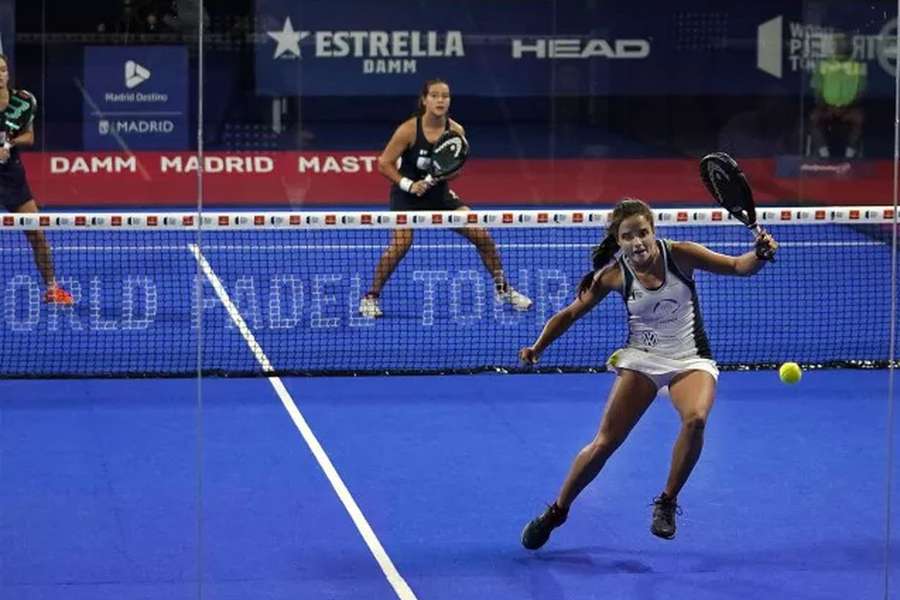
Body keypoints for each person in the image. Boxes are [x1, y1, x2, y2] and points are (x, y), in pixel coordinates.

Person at [519, 198, 777, 547]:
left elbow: (737, 266)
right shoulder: (612, 275)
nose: (638, 242)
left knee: (696, 419)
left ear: (654, 231)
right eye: (628, 236)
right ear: (619, 240)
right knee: (605, 443)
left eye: (643, 233)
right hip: (642, 359)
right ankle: (557, 511)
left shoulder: (682, 254)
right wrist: (538, 347)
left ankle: (667, 502)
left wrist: (759, 255)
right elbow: (568, 314)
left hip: (690, 358)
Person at [359, 79, 532, 318]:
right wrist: (410, 185)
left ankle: (503, 289)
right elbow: (384, 164)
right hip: (406, 198)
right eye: (435, 95)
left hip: (440, 196)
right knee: (400, 244)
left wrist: (434, 179)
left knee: (482, 236)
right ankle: (370, 297)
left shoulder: (456, 131)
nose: (441, 100)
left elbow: (457, 167)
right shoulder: (409, 130)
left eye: (445, 96)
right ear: (424, 100)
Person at [0, 54, 73, 305]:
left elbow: (29, 137)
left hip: (11, 177)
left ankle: (52, 288)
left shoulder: (23, 101)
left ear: (8, 74)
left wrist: (9, 142)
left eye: (3, 70)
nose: (0, 75)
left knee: (37, 234)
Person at [809, 33, 866, 159]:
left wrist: (846, 108)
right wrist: (827, 107)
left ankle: (849, 157)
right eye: (838, 43)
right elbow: (817, 92)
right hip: (826, 109)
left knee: (859, 118)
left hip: (849, 109)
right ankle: (824, 156)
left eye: (844, 43)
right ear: (834, 47)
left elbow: (861, 92)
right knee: (814, 117)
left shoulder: (859, 66)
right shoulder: (822, 65)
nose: (841, 46)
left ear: (850, 46)